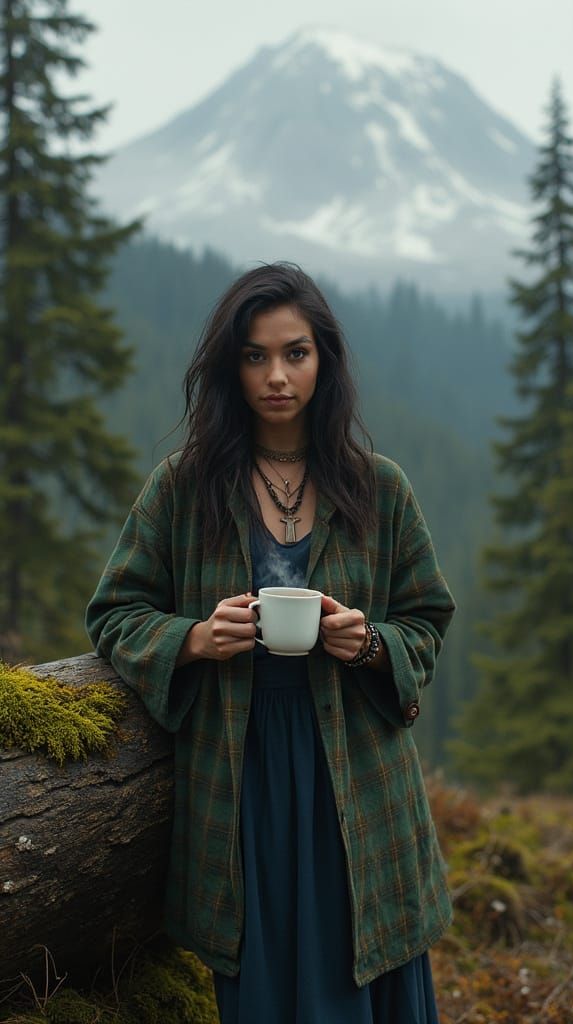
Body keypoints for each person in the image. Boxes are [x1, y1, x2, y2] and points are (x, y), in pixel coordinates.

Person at [86, 262, 456, 1024]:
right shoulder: (183, 487)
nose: (277, 376)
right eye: (255, 356)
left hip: (360, 782)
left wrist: (370, 643)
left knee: (361, 966)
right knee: (263, 976)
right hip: (239, 778)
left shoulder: (379, 489)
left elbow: (426, 620)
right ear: (231, 366)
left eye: (296, 353)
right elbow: (116, 610)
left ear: (325, 360)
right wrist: (189, 639)